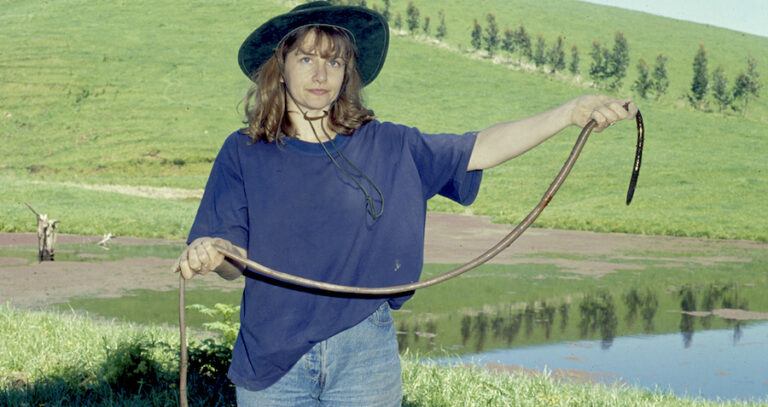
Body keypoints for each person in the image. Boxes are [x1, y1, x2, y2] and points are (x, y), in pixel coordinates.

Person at [173, 1, 637, 405]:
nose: (320, 74)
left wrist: (569, 113)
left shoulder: (390, 145)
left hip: (363, 355)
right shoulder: (243, 151)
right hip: (270, 359)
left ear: (347, 73)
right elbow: (235, 263)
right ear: (281, 65)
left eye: (334, 63)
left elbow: (480, 147)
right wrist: (212, 251)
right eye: (307, 58)